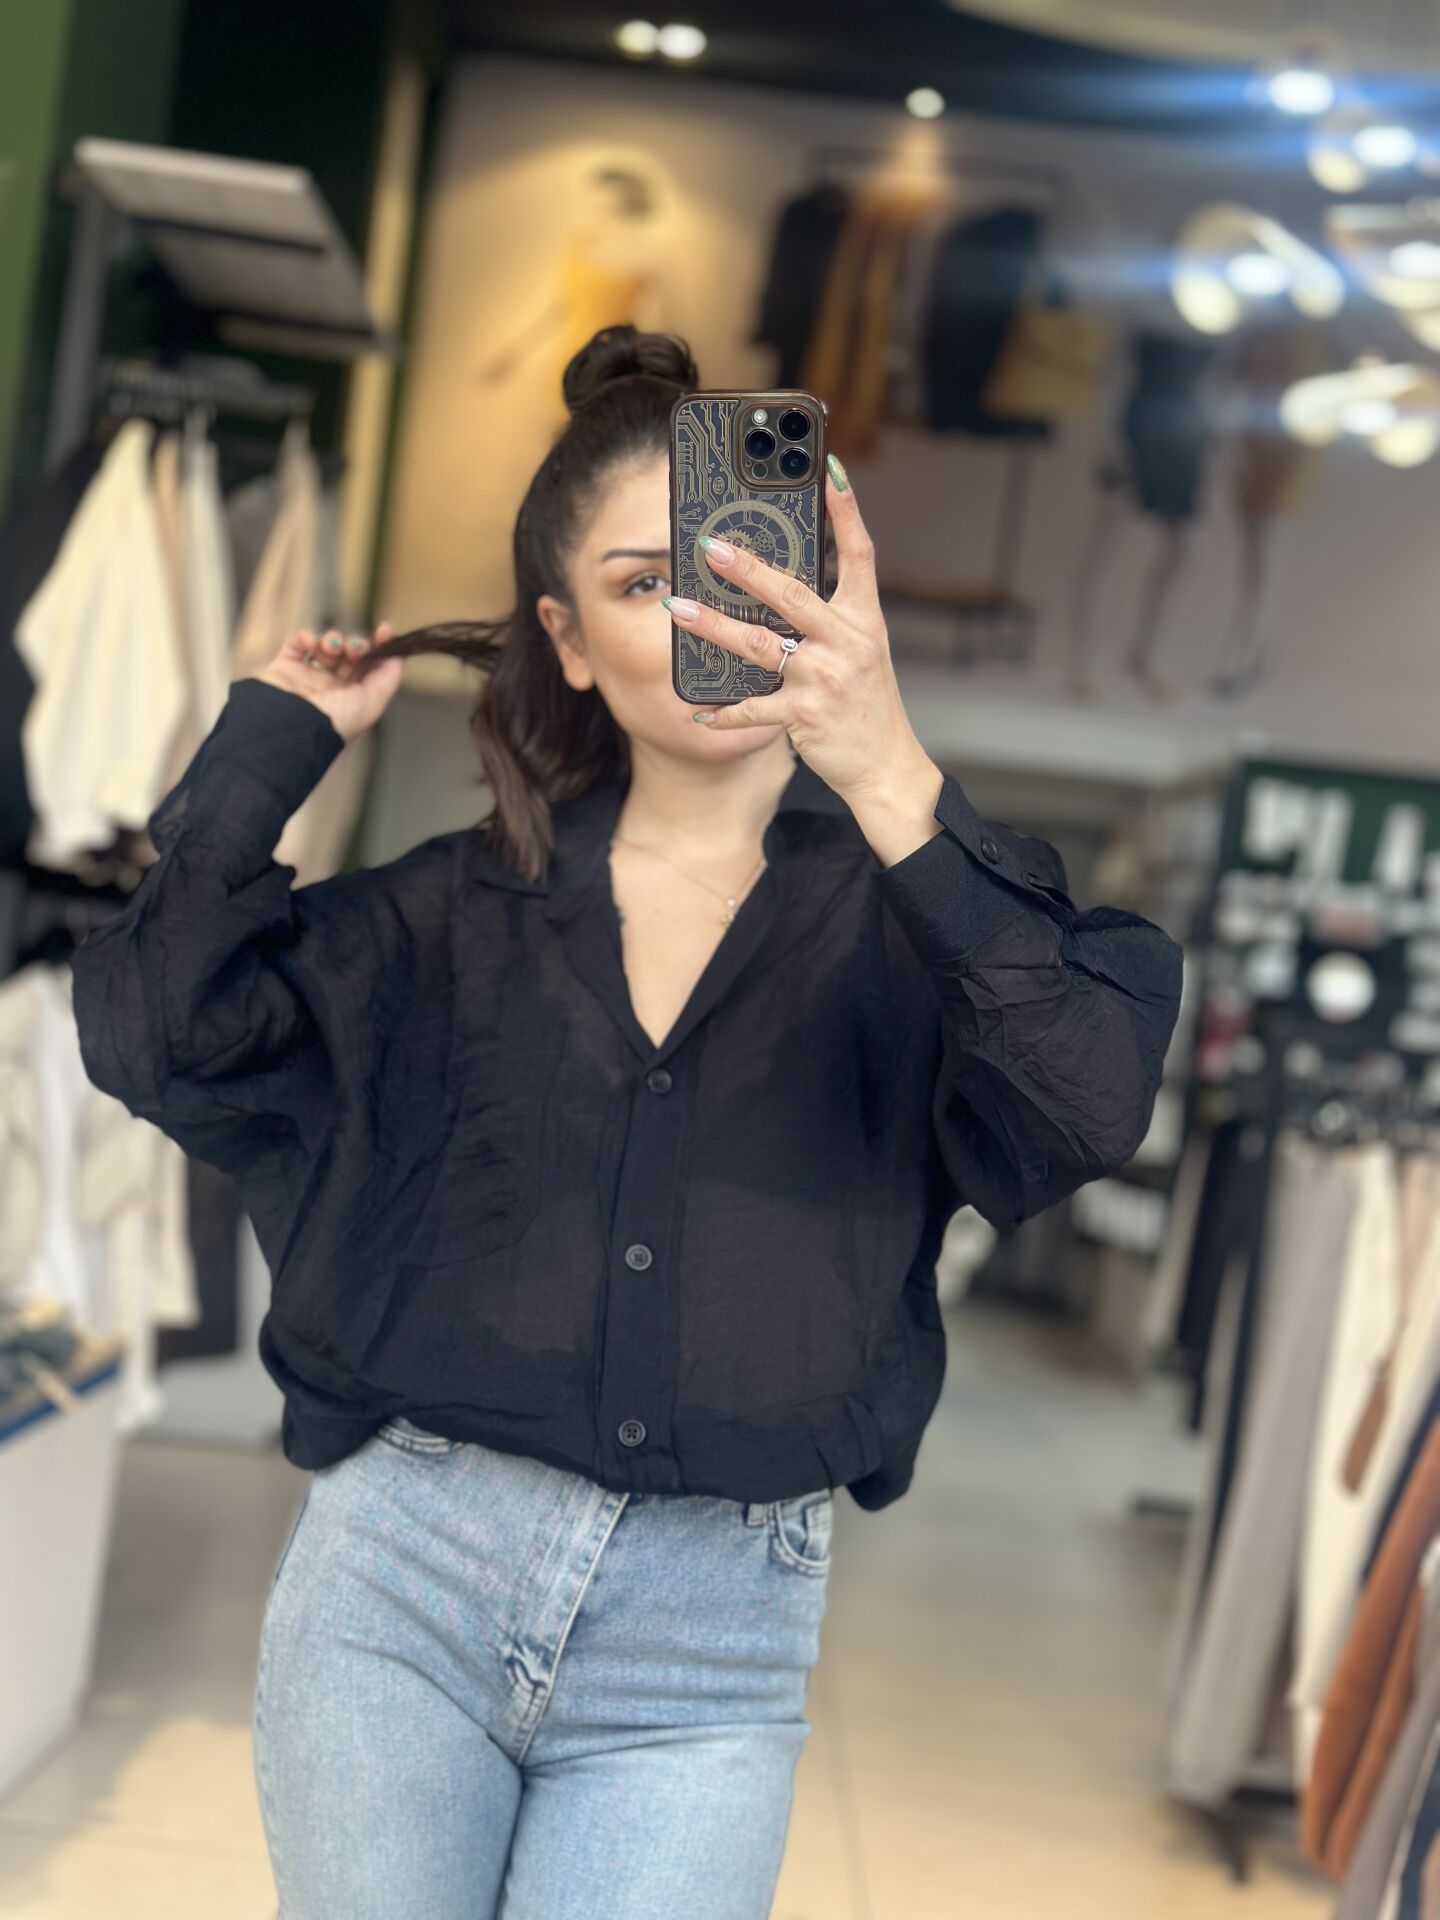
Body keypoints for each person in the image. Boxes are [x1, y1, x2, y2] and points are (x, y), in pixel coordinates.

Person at [70, 324, 1183, 1920]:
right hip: (401, 1586)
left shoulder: (918, 921)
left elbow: (1087, 1096)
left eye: (743, 569)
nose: (705, 615)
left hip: (711, 1647)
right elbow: (154, 1030)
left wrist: (890, 772)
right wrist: (271, 745)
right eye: (644, 581)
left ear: (821, 588)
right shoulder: (442, 916)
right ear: (568, 642)